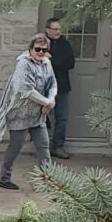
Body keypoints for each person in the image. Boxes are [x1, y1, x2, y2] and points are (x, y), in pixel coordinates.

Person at [0, 33, 58, 190]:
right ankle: (4, 178)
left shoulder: (47, 63)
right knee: (15, 146)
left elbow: (53, 83)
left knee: (43, 146)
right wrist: (47, 102)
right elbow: (25, 90)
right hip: (19, 114)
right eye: (37, 49)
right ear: (30, 48)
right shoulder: (23, 64)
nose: (40, 52)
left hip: (37, 114)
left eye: (44, 50)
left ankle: (48, 182)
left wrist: (51, 99)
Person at [44, 17, 75, 158]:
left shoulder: (65, 44)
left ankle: (58, 146)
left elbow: (70, 63)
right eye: (55, 29)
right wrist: (56, 61)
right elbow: (37, 60)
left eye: (59, 29)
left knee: (61, 118)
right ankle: (43, 147)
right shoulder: (42, 43)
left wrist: (51, 59)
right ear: (48, 30)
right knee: (43, 118)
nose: (58, 32)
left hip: (62, 86)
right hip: (44, 87)